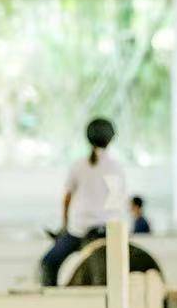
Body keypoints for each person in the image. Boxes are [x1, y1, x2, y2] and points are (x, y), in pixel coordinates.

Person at [39, 119, 127, 286]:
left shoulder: (78, 166)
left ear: (88, 138)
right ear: (111, 139)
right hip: (108, 232)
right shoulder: (117, 167)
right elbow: (117, 204)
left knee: (48, 263)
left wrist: (64, 226)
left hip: (79, 233)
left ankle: (51, 302)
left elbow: (67, 199)